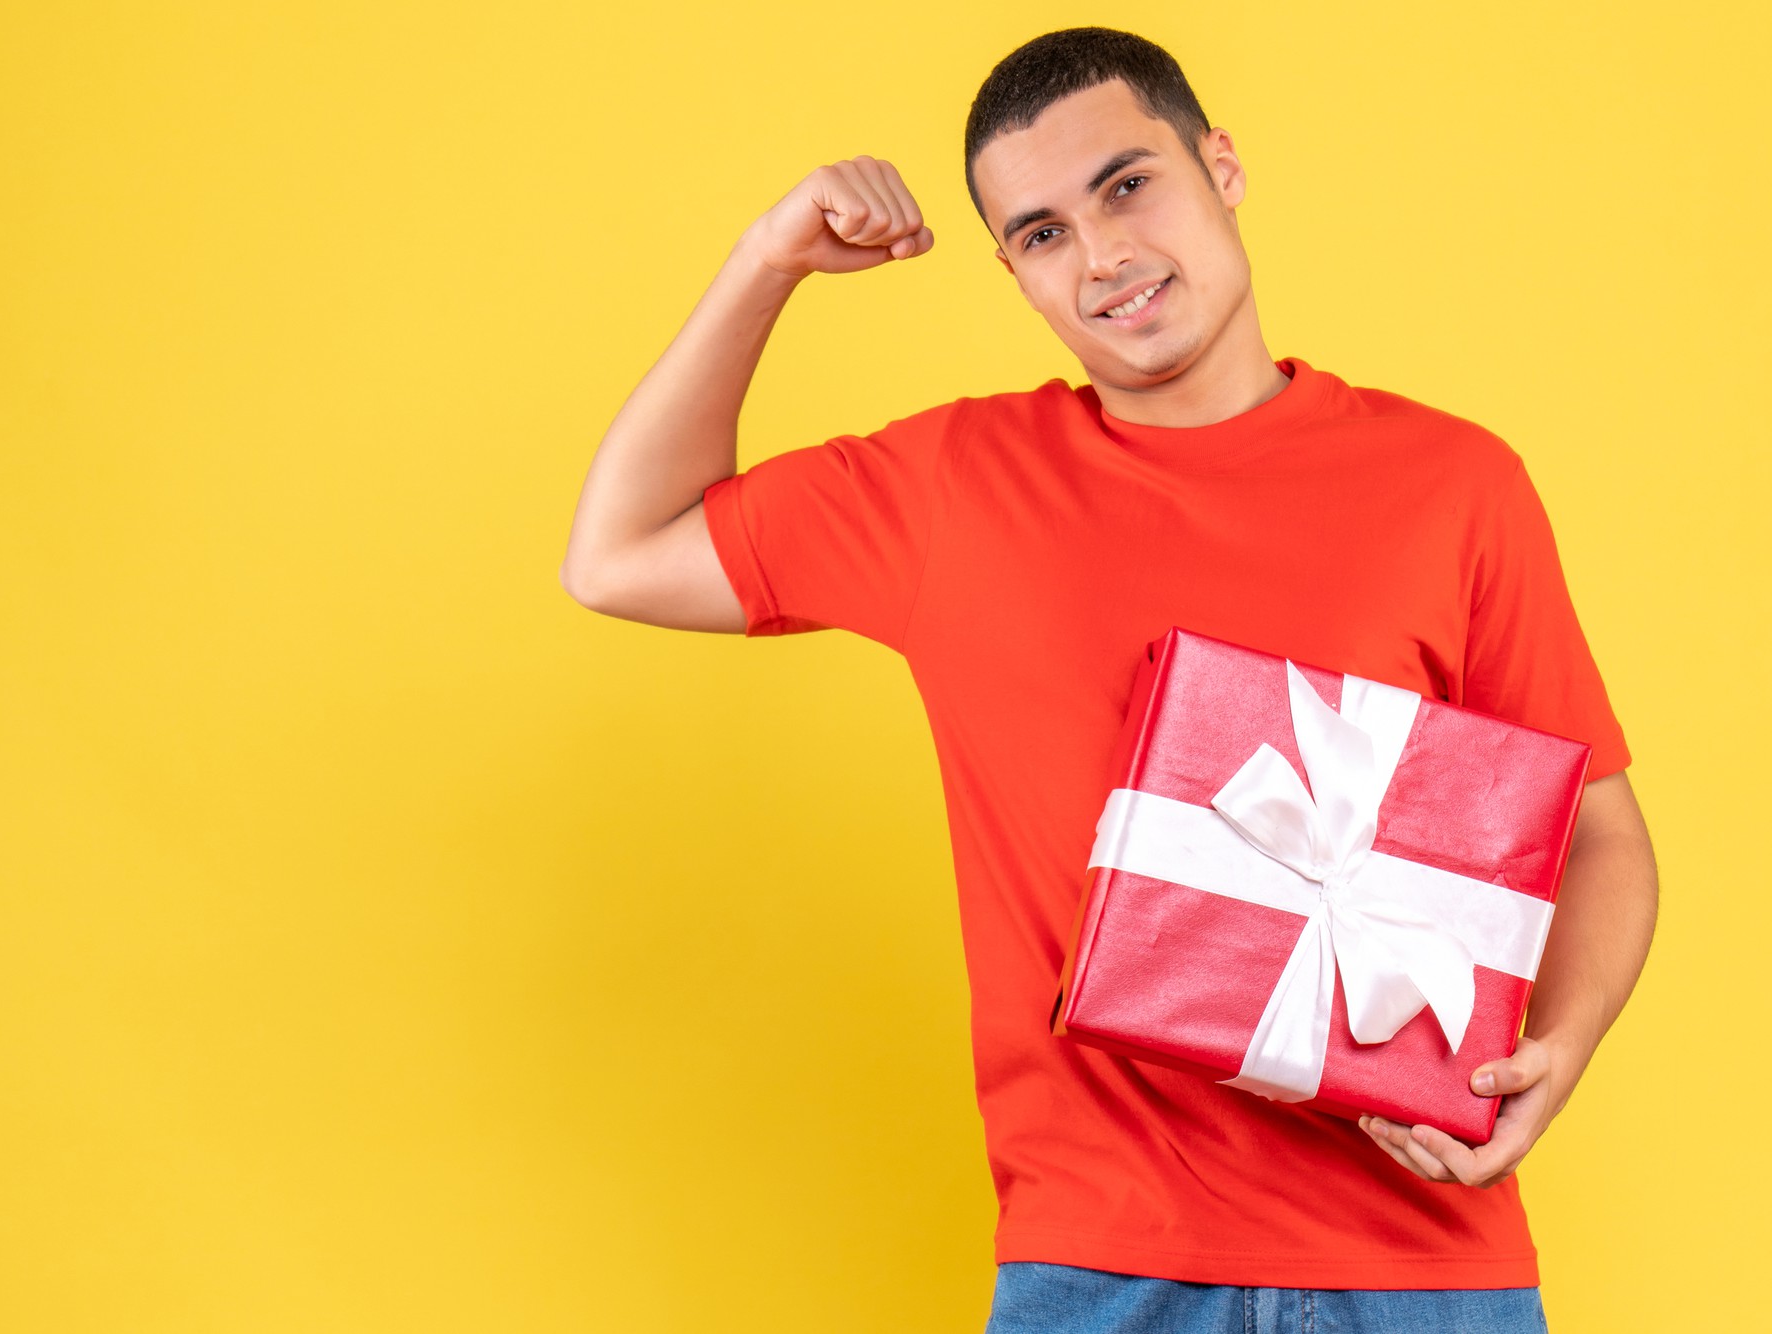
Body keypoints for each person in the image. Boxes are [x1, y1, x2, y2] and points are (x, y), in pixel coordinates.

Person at [559, 26, 1659, 1334]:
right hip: (1101, 1272)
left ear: (1223, 166)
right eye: (1040, 234)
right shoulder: (954, 491)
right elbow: (618, 554)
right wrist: (766, 264)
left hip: (1426, 1263)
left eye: (1128, 186)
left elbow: (1599, 831)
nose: (1104, 259)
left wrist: (1564, 1046)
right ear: (1014, 272)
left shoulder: (1454, 484)